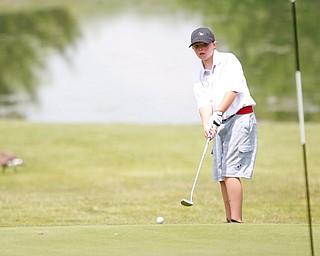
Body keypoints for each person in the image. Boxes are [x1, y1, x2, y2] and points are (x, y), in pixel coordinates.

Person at [189, 27, 258, 223]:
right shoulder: (201, 75)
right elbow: (203, 103)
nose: (201, 49)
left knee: (230, 172)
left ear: (214, 44)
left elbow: (233, 89)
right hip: (220, 123)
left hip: (240, 118)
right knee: (221, 173)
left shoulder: (229, 61)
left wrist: (218, 113)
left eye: (204, 45)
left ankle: (236, 221)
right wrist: (207, 124)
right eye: (196, 46)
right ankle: (228, 220)